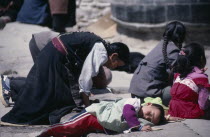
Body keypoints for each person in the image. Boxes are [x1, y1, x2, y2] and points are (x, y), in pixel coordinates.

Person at [0, 32, 130, 125]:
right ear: (114, 56)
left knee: (47, 88)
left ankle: (14, 89)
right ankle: (20, 115)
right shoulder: (101, 52)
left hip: (55, 52)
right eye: (117, 65)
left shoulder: (99, 46)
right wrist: (87, 107)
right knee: (50, 91)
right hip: (55, 55)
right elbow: (85, 79)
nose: (113, 68)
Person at [38, 98, 165, 137]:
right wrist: (138, 127)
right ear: (148, 104)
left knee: (76, 133)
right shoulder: (134, 103)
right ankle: (50, 130)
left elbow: (150, 123)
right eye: (151, 113)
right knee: (71, 126)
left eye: (150, 119)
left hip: (101, 125)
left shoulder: (139, 117)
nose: (147, 117)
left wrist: (167, 118)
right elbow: (128, 112)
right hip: (94, 115)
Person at [129, 21, 186, 106]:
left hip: (135, 94)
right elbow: (179, 75)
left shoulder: (161, 45)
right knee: (184, 88)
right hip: (147, 97)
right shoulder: (173, 50)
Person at [167, 42, 210, 120]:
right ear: (201, 58)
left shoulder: (178, 74)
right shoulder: (201, 78)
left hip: (173, 110)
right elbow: (203, 105)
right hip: (189, 112)